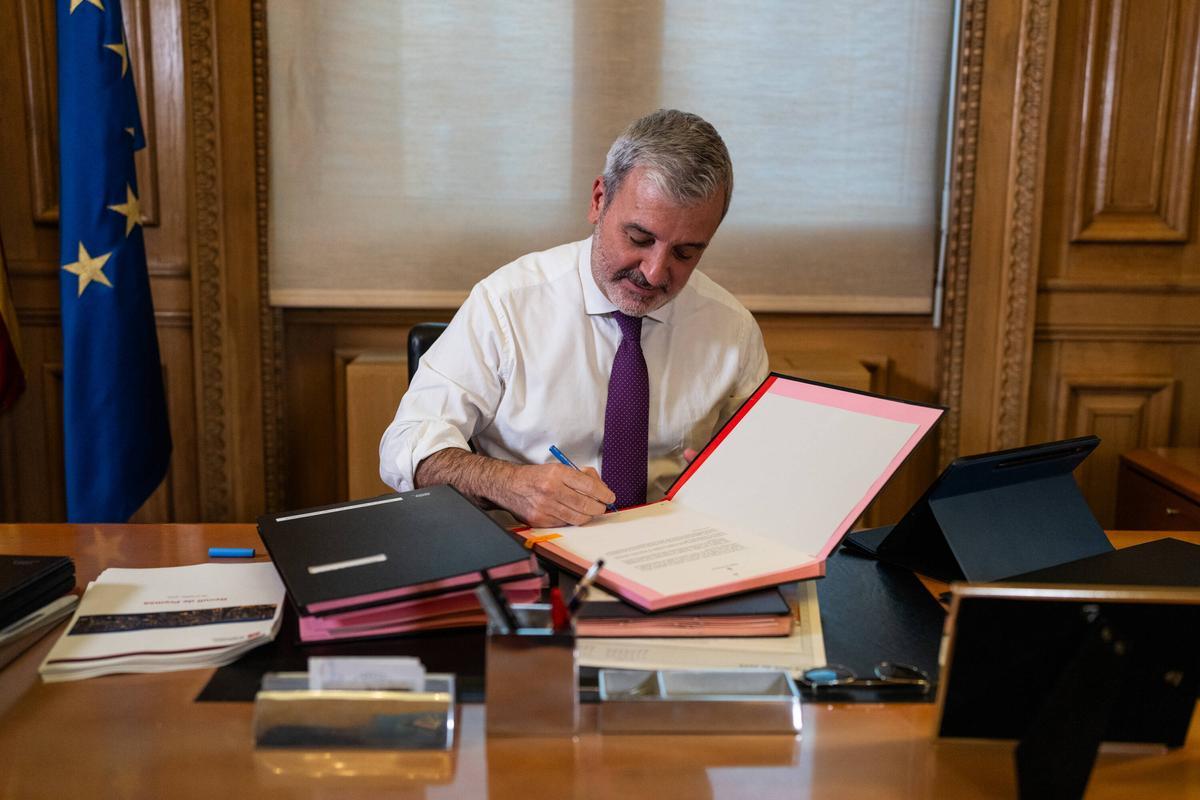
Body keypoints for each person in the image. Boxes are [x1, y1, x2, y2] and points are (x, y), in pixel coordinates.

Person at [379, 109, 769, 527]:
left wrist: (737, 478)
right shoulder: (506, 304)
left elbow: (764, 466)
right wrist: (509, 483)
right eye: (639, 238)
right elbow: (407, 445)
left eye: (685, 253)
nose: (655, 272)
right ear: (599, 200)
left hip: (675, 549)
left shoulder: (731, 328)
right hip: (537, 550)